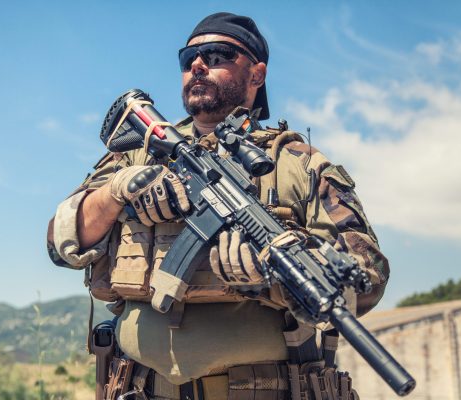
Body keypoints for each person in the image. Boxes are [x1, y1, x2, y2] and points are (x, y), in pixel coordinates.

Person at [47, 12, 389, 400]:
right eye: (188, 58)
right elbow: (61, 242)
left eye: (217, 55)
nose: (197, 64)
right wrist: (115, 192)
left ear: (257, 75)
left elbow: (369, 280)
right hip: (138, 388)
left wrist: (273, 279)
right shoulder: (137, 155)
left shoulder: (301, 164)